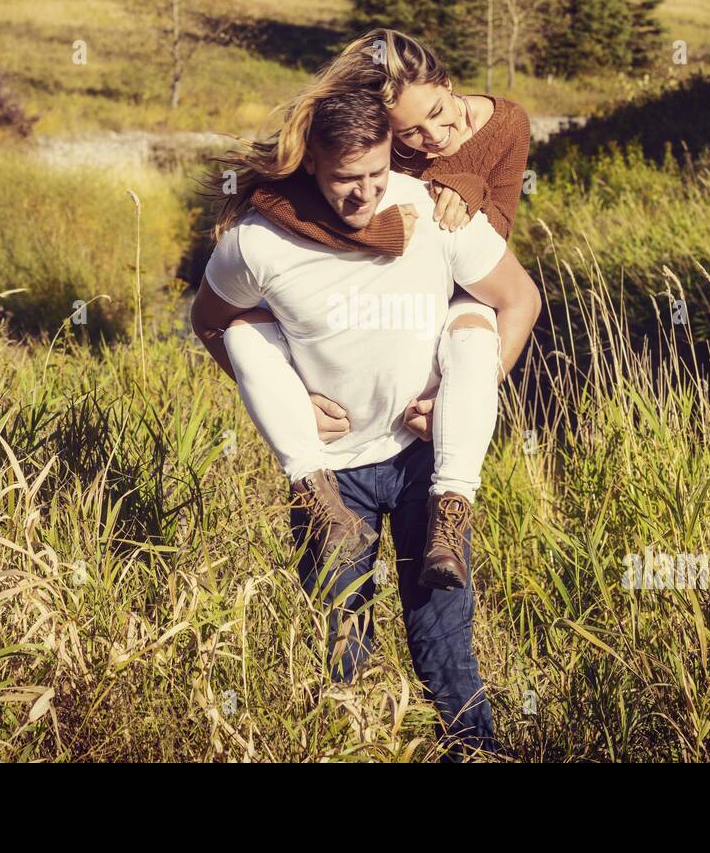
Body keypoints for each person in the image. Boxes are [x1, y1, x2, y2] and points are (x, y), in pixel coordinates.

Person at [191, 88, 541, 760]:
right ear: (312, 167)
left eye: (377, 175)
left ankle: (477, 753)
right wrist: (286, 400)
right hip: (334, 473)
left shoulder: (431, 213)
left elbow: (518, 298)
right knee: (341, 643)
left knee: (443, 643)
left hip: (421, 463)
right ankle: (346, 749)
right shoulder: (260, 241)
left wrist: (469, 395)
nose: (364, 195)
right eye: (346, 180)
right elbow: (208, 321)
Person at [221, 28, 533, 590]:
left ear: (448, 82)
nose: (435, 136)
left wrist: (472, 390)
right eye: (409, 133)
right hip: (399, 290)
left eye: (440, 112)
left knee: (475, 328)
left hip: (465, 279)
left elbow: (499, 235)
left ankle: (453, 507)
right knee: (248, 330)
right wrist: (383, 231)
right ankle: (317, 495)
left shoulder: (507, 123)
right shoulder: (370, 167)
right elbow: (351, 210)